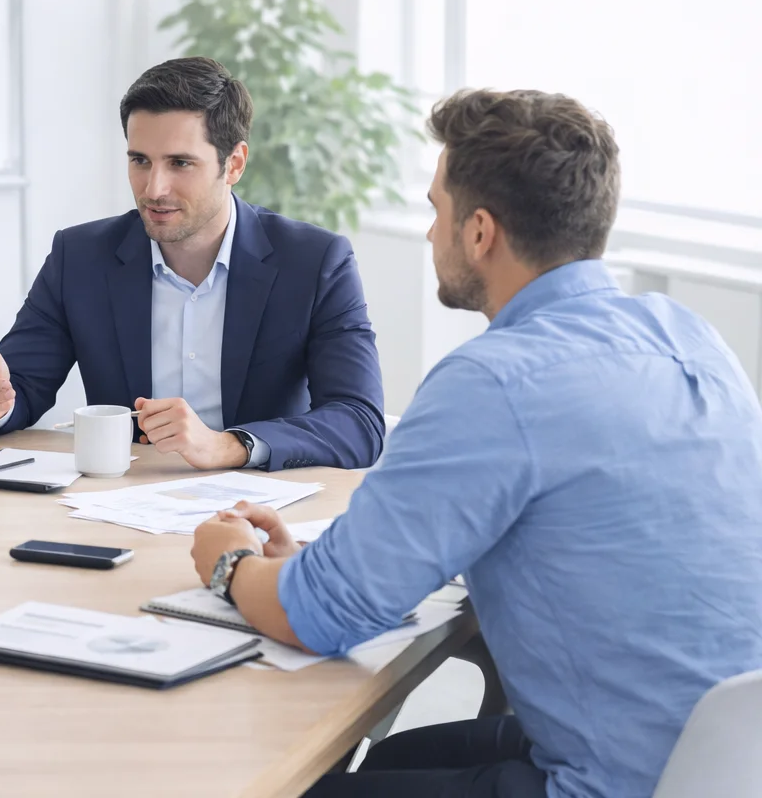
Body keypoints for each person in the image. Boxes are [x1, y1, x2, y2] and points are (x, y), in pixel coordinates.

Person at [189, 88, 762, 797]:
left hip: (617, 782)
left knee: (290, 784)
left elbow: (318, 617)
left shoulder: (496, 381)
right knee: (391, 762)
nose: (431, 233)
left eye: (436, 210)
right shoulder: (687, 335)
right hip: (726, 758)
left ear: (481, 232)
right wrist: (324, 565)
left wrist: (230, 564)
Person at [0, 56, 384, 470]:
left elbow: (358, 421)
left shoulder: (315, 261)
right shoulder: (81, 257)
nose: (154, 188)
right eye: (140, 160)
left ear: (233, 163)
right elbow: (18, 388)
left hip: (261, 511)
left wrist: (228, 446)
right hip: (121, 506)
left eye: (180, 163)